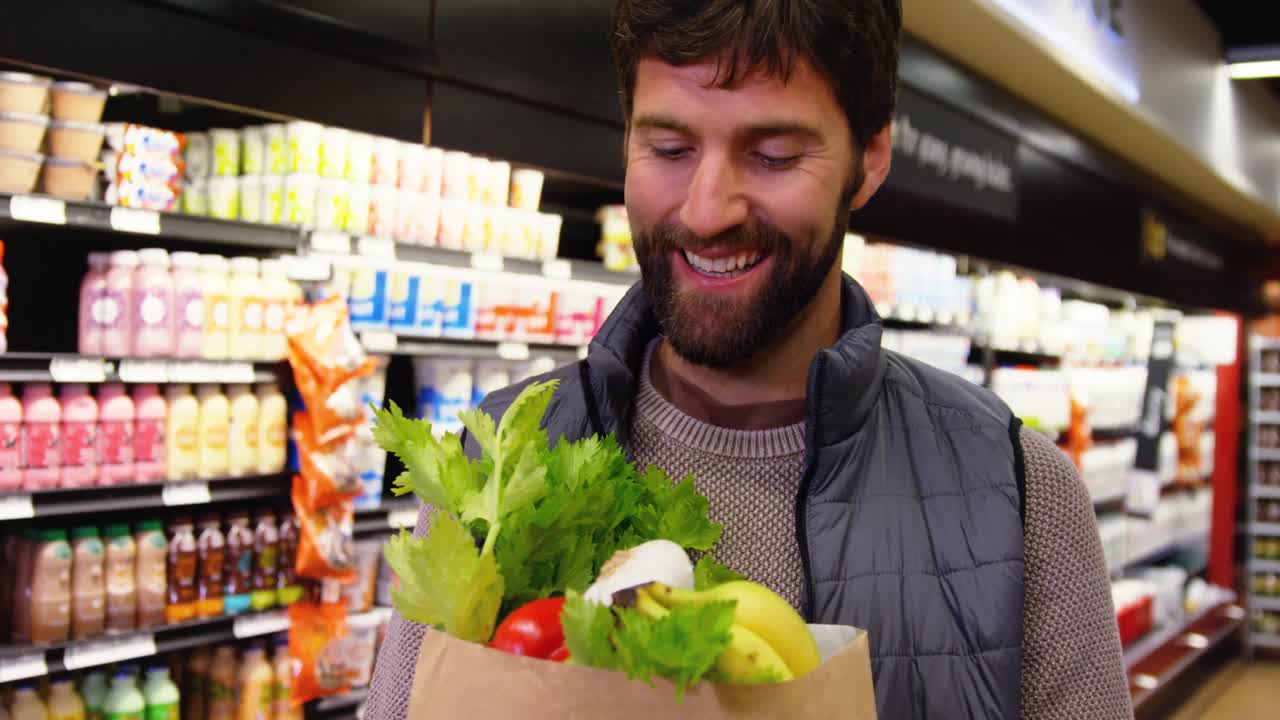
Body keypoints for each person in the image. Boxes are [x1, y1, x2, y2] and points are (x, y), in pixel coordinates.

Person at [366, 1, 1132, 718]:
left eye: (771, 154)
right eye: (668, 148)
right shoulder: (493, 469)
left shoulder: (1018, 494)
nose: (706, 210)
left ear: (869, 157)